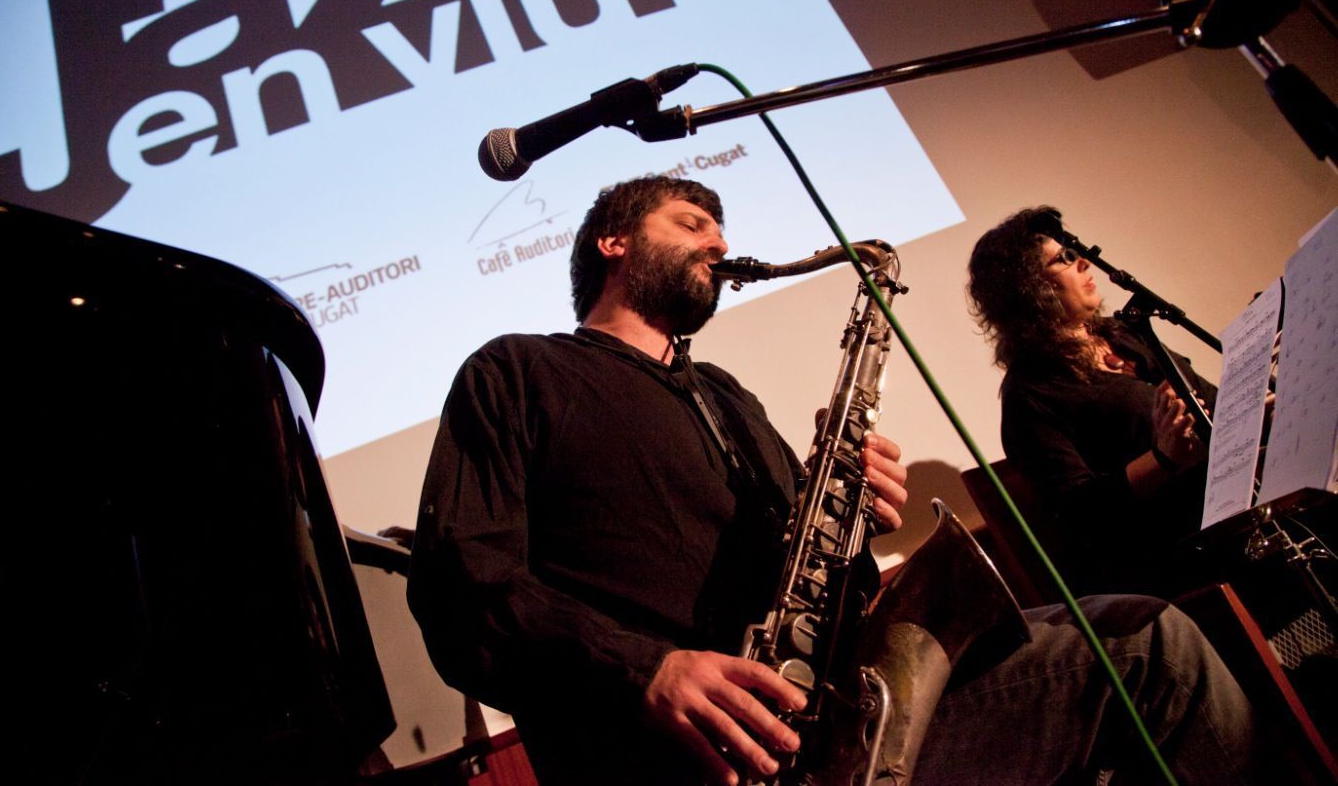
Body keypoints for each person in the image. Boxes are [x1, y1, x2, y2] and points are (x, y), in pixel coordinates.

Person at [409, 179, 1297, 785]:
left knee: (1149, 644)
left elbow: (825, 593)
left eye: (722, 230)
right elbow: (461, 589)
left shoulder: (727, 394)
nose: (720, 243)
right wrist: (649, 670)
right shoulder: (517, 371)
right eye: (692, 224)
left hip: (846, 728)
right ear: (614, 242)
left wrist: (851, 526)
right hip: (682, 759)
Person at [966, 206, 1219, 598]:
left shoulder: (1123, 334)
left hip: (1227, 505)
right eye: (1064, 258)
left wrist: (1256, 400)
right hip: (1175, 559)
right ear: (1030, 289)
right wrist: (1163, 459)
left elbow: (1210, 403)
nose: (1084, 262)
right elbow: (1080, 514)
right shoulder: (1031, 393)